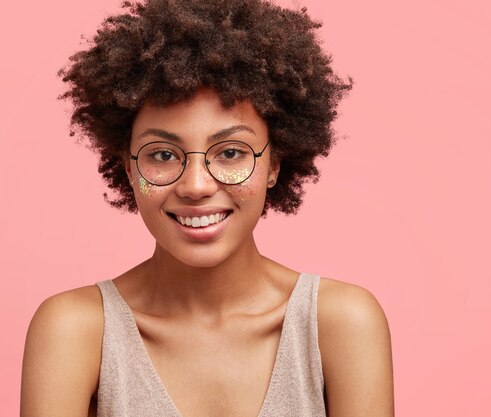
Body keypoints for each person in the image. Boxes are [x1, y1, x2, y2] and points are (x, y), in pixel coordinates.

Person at [20, 0, 394, 416]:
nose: (195, 186)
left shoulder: (342, 324)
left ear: (274, 164)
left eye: (231, 152)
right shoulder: (74, 331)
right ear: (128, 169)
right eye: (162, 155)